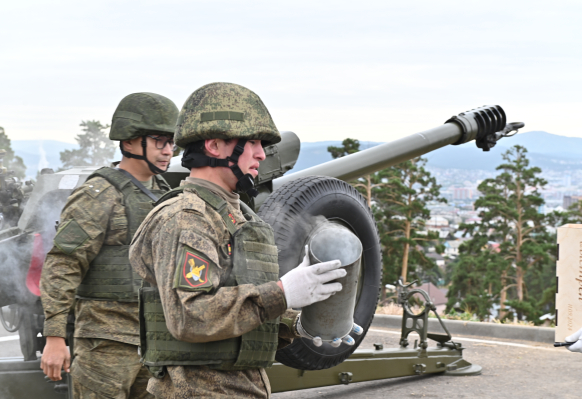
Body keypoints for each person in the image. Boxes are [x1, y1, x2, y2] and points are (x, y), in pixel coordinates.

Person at [129, 82, 361, 398]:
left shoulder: (237, 216)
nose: (261, 154)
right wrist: (282, 292)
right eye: (251, 142)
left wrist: (297, 323)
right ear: (214, 146)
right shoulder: (186, 217)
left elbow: (239, 307)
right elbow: (191, 316)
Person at [40, 92, 179, 398]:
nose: (168, 150)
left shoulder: (168, 195)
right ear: (128, 142)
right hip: (105, 344)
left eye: (171, 142)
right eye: (158, 140)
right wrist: (54, 336)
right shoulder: (99, 193)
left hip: (157, 343)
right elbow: (64, 262)